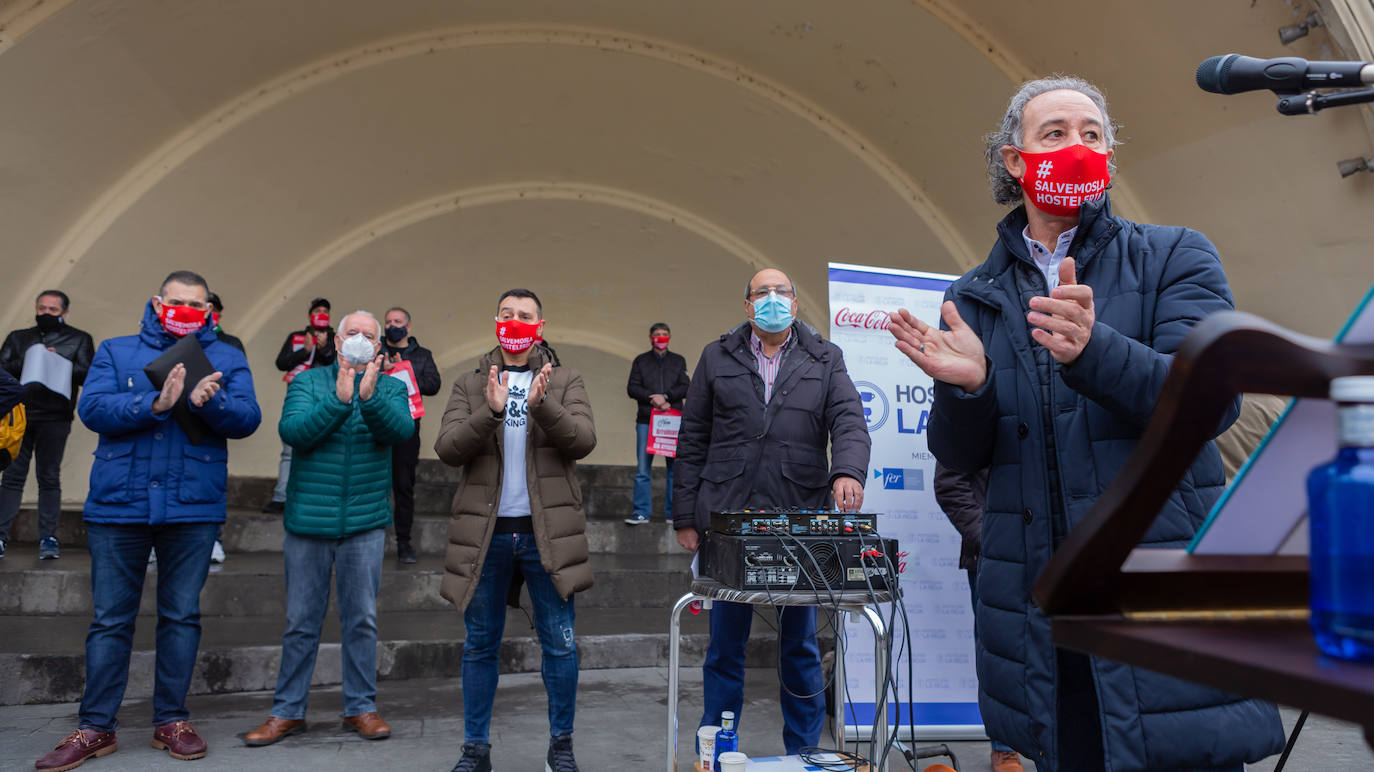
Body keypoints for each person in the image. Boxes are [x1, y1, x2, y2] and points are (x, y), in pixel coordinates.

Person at [887, 77, 1283, 771]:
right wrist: (970, 391)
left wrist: (1094, 351)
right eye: (1056, 134)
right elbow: (958, 456)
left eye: (1092, 134)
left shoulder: (1175, 256)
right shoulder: (973, 296)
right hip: (1044, 619)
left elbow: (1213, 404)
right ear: (1016, 161)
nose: (1078, 147)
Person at [34, 270, 261, 771]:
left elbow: (248, 418)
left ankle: (172, 721)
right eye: (176, 301)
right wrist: (154, 403)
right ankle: (95, 728)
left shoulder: (226, 355)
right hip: (121, 505)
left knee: (181, 617)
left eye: (195, 305)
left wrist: (213, 400)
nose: (185, 310)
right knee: (110, 620)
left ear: (208, 311)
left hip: (192, 506)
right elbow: (92, 408)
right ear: (158, 303)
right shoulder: (117, 351)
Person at [673, 268, 870, 755]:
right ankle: (717, 748)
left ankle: (803, 752)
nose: (773, 299)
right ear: (747, 305)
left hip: (799, 517)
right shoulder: (715, 357)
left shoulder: (826, 358)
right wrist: (684, 517)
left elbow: (849, 420)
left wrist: (847, 470)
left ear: (796, 304)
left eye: (781, 292)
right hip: (727, 520)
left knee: (800, 646)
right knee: (725, 646)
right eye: (762, 292)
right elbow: (692, 439)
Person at [434, 288, 596, 772]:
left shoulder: (565, 380)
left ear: (540, 326)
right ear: (495, 322)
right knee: (480, 644)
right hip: (486, 537)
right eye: (507, 314)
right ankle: (475, 751)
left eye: (525, 316)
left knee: (560, 645)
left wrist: (543, 404)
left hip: (548, 536)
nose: (515, 321)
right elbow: (447, 448)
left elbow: (583, 441)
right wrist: (492, 410)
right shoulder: (470, 383)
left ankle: (561, 748)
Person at [244, 310, 414, 748]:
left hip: (365, 524)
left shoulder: (392, 386)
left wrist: (370, 397)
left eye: (368, 335)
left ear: (379, 347)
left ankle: (361, 707)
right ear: (336, 343)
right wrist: (338, 401)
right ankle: (287, 711)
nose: (359, 339)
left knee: (362, 620)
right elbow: (295, 432)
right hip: (308, 523)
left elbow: (398, 433)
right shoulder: (307, 382)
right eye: (351, 333)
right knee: (301, 622)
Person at [933, 463, 1024, 772]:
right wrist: (993, 541)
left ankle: (1059, 742)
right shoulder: (977, 414)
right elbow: (950, 484)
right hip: (995, 557)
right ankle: (1004, 746)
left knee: (1064, 649)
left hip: (1059, 549)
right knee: (1000, 653)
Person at [0, 289, 94, 560]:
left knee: (49, 477)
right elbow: (2, 368)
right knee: (12, 476)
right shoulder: (20, 338)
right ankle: (1, 535)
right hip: (19, 415)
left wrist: (60, 362)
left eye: (53, 310)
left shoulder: (79, 339)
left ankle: (48, 538)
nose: (46, 314)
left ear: (65, 313)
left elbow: (90, 374)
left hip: (56, 416)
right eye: (42, 308)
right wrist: (30, 357)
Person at [382, 306, 442, 564]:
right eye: (387, 321)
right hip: (377, 428)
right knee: (373, 485)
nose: (391, 325)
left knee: (404, 487)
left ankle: (403, 543)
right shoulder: (376, 351)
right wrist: (383, 369)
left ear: (408, 327)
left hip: (407, 430)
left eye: (397, 321)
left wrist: (404, 372)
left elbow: (434, 384)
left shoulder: (423, 355)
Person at [264, 298, 335, 514]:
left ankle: (313, 497)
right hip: (297, 398)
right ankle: (281, 497)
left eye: (325, 311)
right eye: (317, 310)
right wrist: (304, 351)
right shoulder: (297, 337)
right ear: (309, 314)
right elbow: (281, 363)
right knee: (289, 449)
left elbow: (337, 365)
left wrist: (323, 349)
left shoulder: (335, 338)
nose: (321, 314)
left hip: (324, 399)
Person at [624, 322, 690, 526]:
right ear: (650, 337)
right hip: (646, 420)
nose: (660, 338)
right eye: (657, 334)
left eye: (664, 334)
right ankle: (641, 513)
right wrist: (652, 398)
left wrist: (667, 397)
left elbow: (686, 386)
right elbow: (632, 388)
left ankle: (673, 513)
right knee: (643, 469)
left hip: (672, 420)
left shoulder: (678, 361)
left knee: (674, 469)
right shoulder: (641, 361)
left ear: (669, 337)